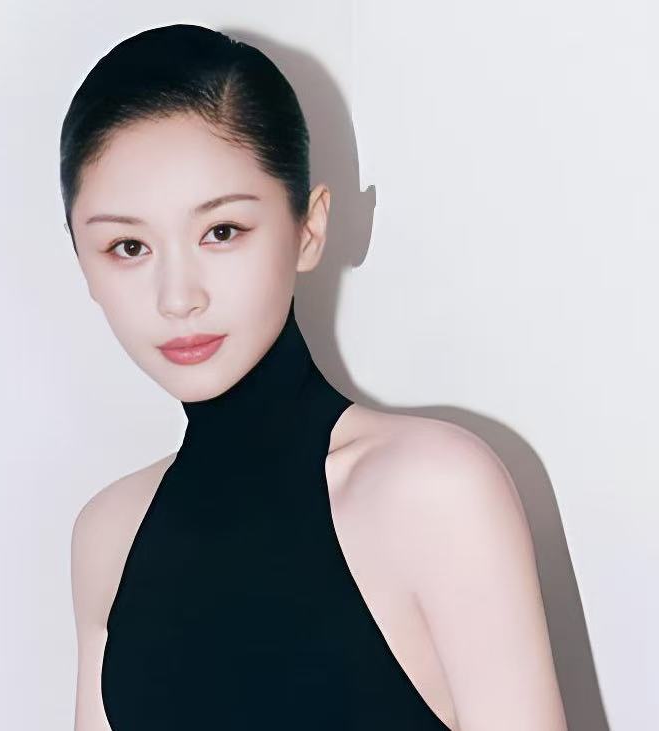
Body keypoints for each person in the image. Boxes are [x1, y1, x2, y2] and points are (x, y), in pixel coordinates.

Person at [60, 23, 567, 731]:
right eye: (128, 246)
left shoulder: (431, 489)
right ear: (83, 264)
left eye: (222, 231)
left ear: (309, 228)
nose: (178, 297)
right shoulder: (107, 536)